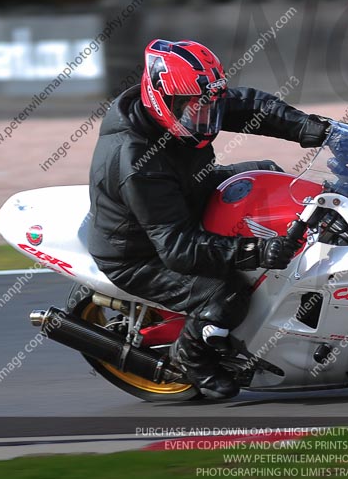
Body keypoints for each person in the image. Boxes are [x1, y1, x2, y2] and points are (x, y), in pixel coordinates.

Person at [87, 39, 331, 399]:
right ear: (163, 101)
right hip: (140, 254)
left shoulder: (187, 102)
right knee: (227, 293)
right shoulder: (137, 161)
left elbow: (248, 105)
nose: (206, 117)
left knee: (268, 176)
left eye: (210, 105)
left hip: (186, 195)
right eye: (195, 109)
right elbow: (178, 249)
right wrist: (258, 251)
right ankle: (192, 356)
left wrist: (308, 128)